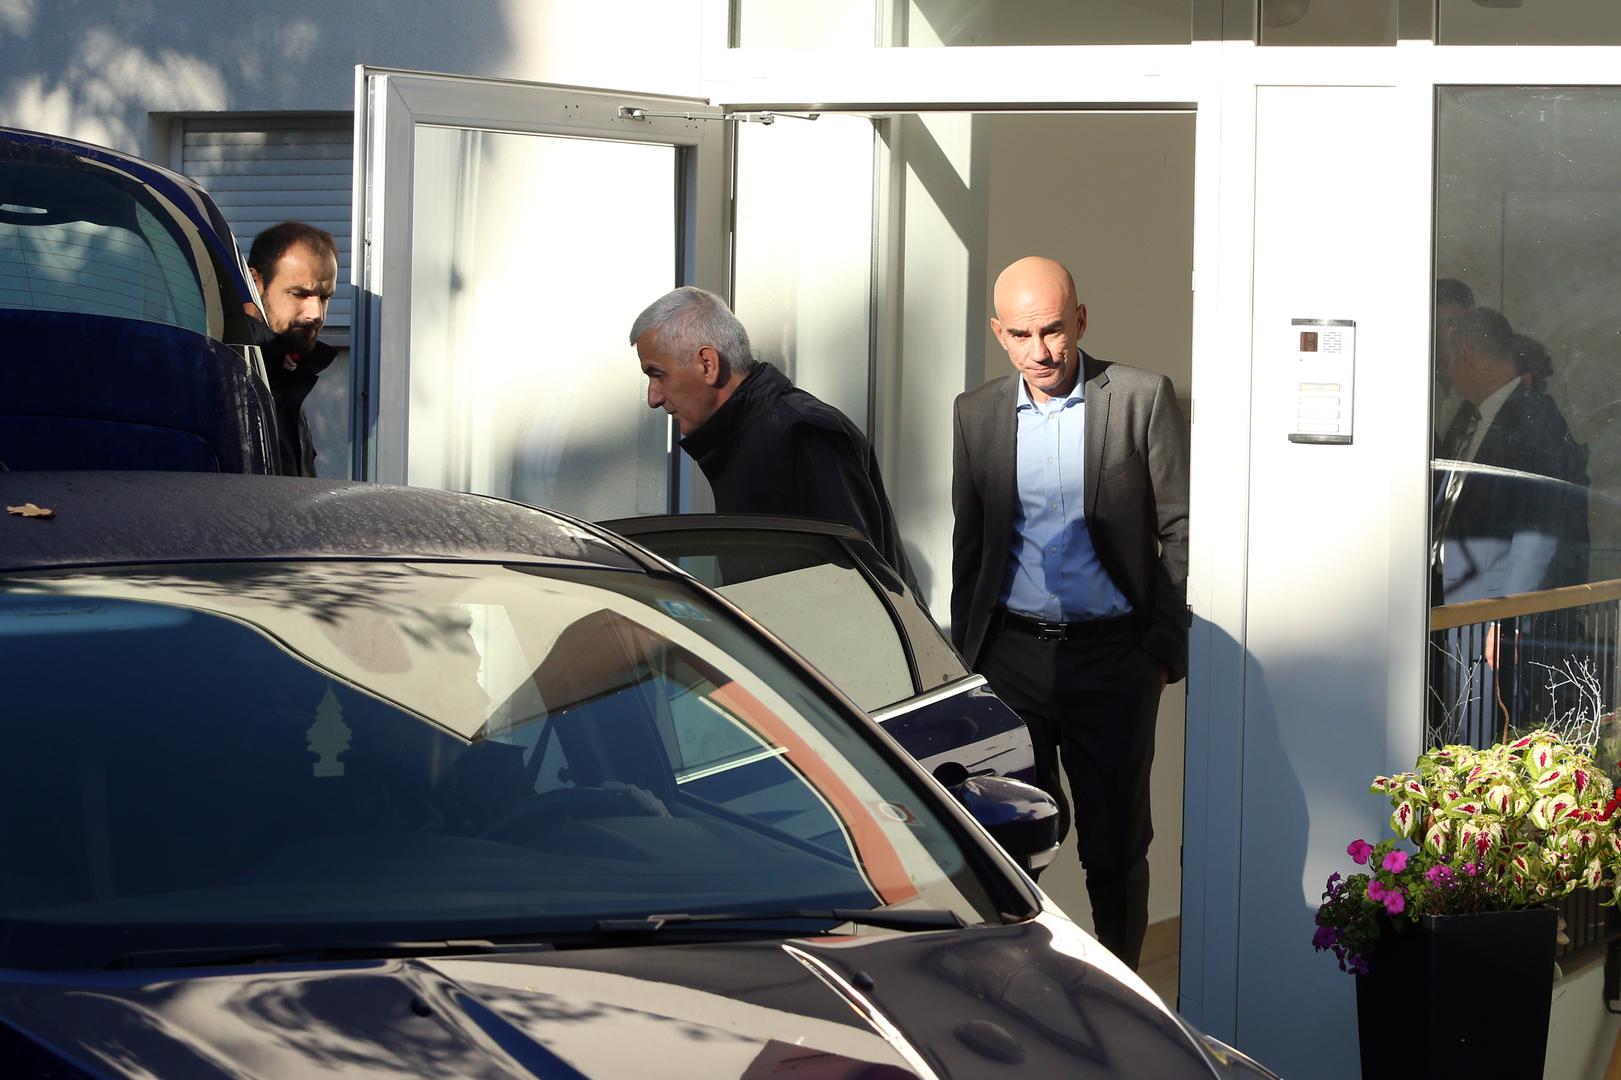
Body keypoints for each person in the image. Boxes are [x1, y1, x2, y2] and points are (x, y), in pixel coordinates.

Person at [950, 255, 1189, 970]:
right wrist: (969, 659)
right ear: (998, 332)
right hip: (1010, 659)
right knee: (1005, 839)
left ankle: (1124, 997)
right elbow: (971, 545)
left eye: (1053, 330)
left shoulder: (1140, 398)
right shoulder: (975, 413)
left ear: (1080, 320)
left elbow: (1181, 527)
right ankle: (1020, 984)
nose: (1041, 351)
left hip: (1113, 660)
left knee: (1114, 850)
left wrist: (1158, 650)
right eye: (1021, 334)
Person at [628, 286, 918, 591]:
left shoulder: (800, 434)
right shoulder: (748, 438)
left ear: (708, 364)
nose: (653, 397)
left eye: (657, 374)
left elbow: (852, 586)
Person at [247, 221, 340, 477]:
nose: (316, 314)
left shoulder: (287, 371)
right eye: (299, 294)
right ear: (255, 283)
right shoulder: (229, 376)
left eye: (325, 297)